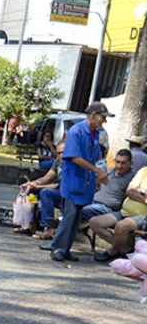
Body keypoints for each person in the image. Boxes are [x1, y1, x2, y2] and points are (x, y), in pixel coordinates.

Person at [39, 101, 111, 262]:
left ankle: (66, 249)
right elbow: (74, 157)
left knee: (77, 218)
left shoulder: (95, 134)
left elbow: (94, 158)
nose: (104, 121)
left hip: (85, 183)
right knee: (69, 216)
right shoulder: (76, 132)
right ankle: (58, 248)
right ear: (92, 115)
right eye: (102, 117)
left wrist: (96, 177)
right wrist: (96, 171)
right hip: (73, 182)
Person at [89, 162, 147, 262]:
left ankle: (112, 251)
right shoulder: (144, 171)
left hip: (143, 217)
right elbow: (130, 191)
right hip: (124, 212)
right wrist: (145, 199)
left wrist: (139, 192)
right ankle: (123, 249)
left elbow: (134, 192)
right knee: (95, 222)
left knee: (121, 226)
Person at [19, 142, 64, 238]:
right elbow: (46, 178)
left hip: (67, 196)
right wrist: (32, 183)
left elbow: (60, 185)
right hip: (59, 192)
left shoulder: (71, 164)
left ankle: (49, 229)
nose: (60, 155)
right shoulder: (58, 162)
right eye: (59, 153)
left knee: (46, 193)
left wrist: (39, 187)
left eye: (63, 152)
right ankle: (29, 224)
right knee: (30, 191)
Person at [78, 149, 134, 220]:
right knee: (73, 206)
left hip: (107, 209)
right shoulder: (110, 172)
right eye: (117, 162)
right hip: (92, 202)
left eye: (123, 163)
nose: (119, 166)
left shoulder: (132, 178)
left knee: (81, 211)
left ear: (130, 163)